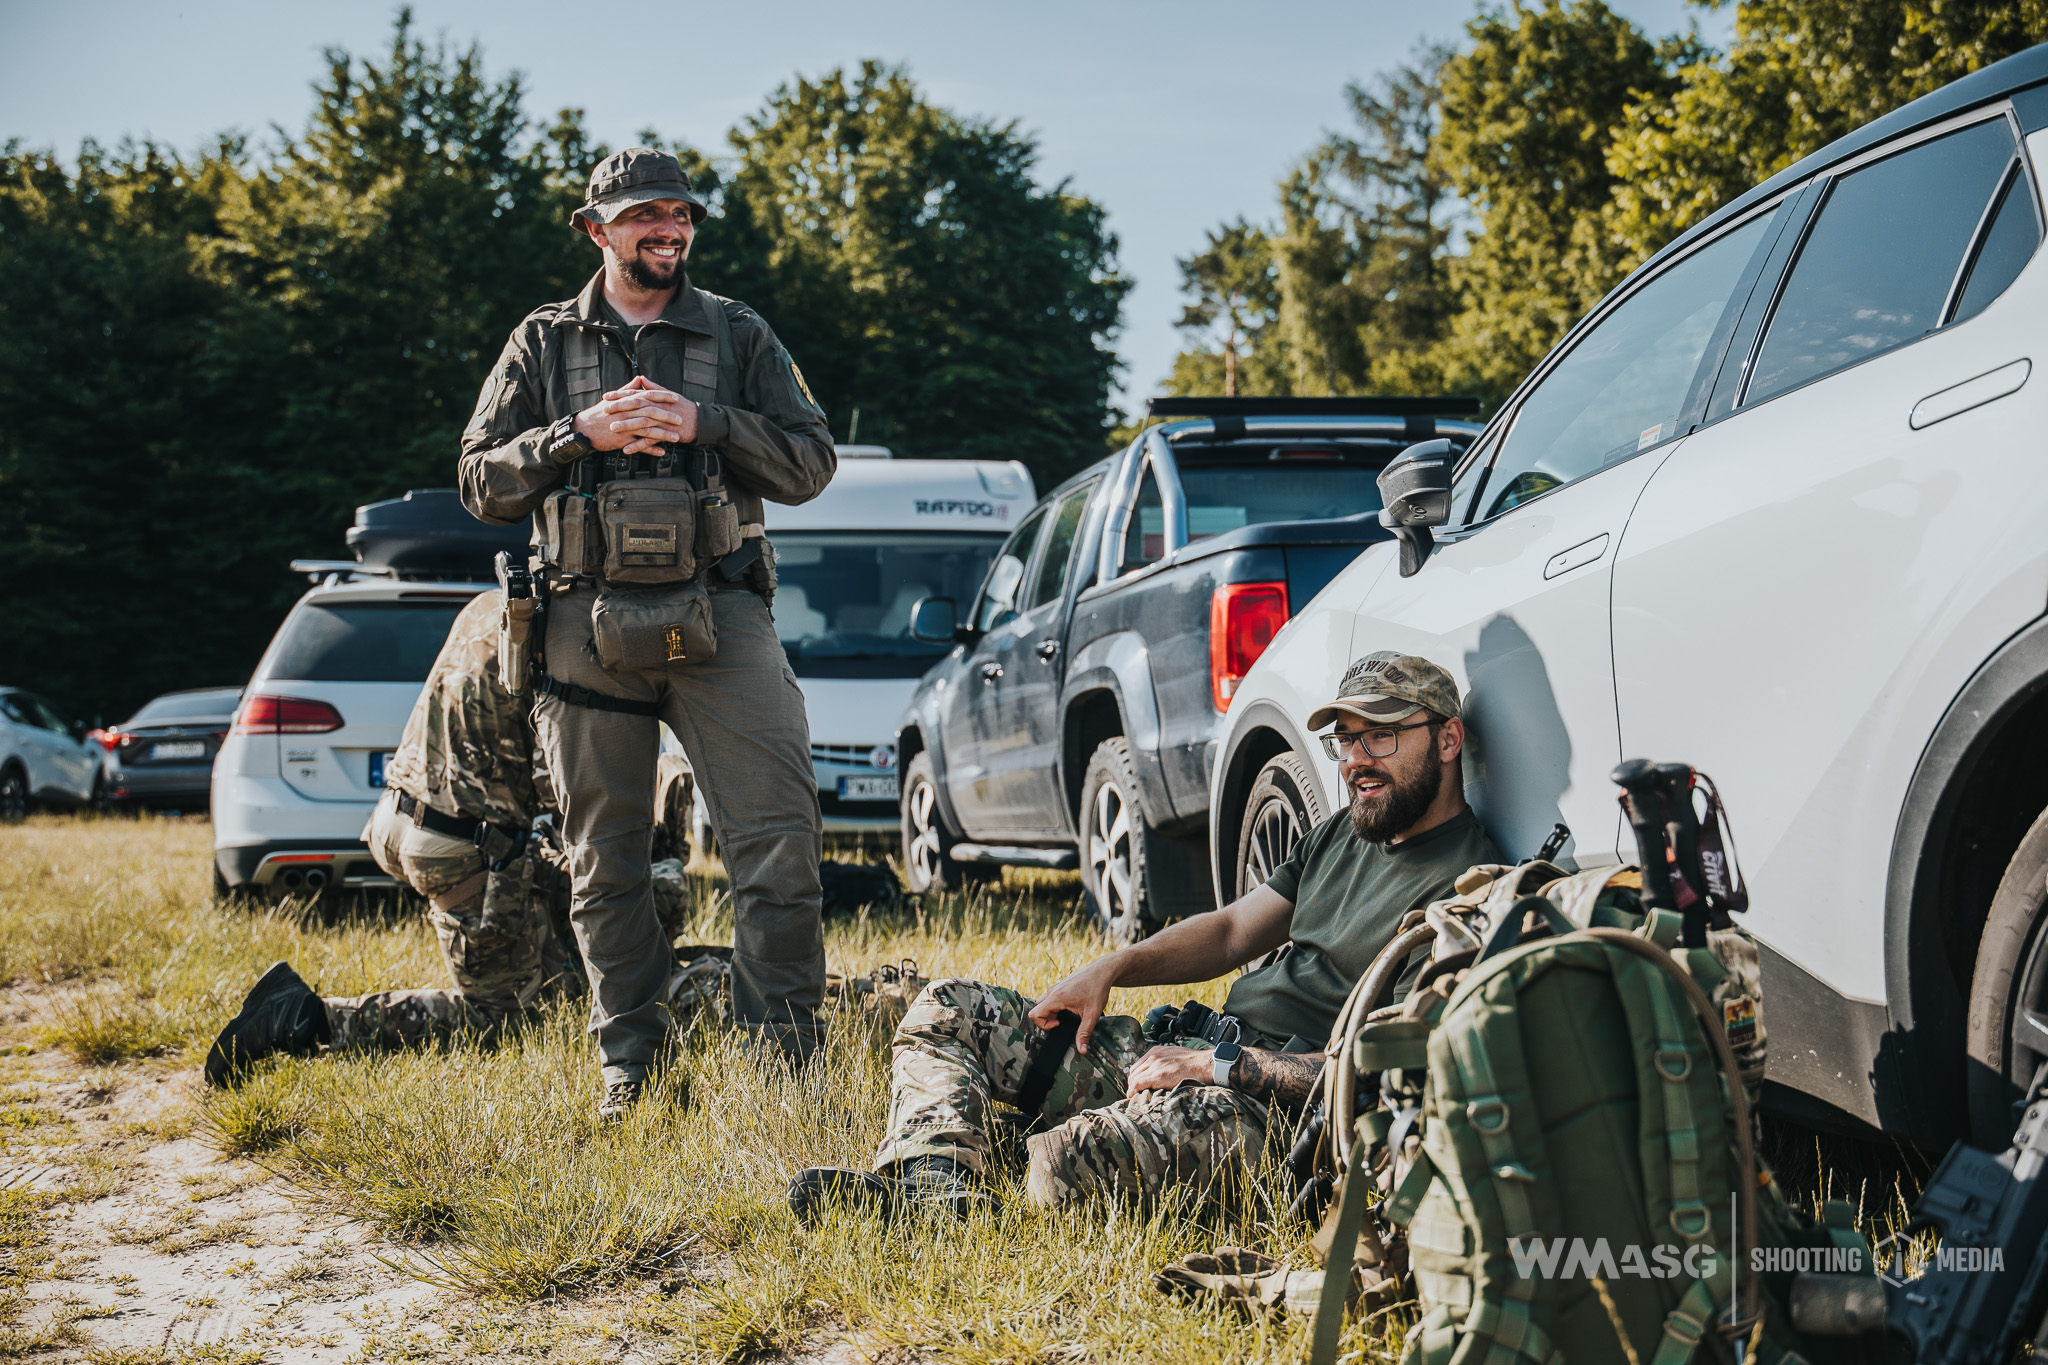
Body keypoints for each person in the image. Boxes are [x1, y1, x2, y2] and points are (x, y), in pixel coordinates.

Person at [788, 651, 1501, 1219]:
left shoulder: (1474, 887)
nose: (1355, 760)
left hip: (1270, 1106)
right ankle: (935, 1190)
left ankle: (1005, 1149)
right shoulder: (1339, 835)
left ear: (1446, 738)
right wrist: (1113, 967)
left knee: (1064, 1165)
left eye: (1381, 734)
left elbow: (1379, 1071)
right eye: (1345, 739)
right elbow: (1227, 931)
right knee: (947, 1007)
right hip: (1195, 1048)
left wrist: (1217, 1068)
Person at [458, 148, 836, 1118]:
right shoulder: (541, 344)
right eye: (641, 215)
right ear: (596, 228)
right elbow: (479, 484)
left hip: (724, 613)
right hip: (580, 620)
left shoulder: (737, 330)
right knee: (605, 860)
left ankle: (781, 1070)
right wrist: (576, 434)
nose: (664, 229)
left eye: (678, 215)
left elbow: (808, 463)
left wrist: (703, 419)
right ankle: (631, 1067)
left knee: (778, 846)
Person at [204, 590, 573, 1086]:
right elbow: (560, 778)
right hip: (464, 845)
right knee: (506, 1019)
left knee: (550, 977)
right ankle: (305, 1018)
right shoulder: (564, 633)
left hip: (401, 815)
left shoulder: (495, 603)